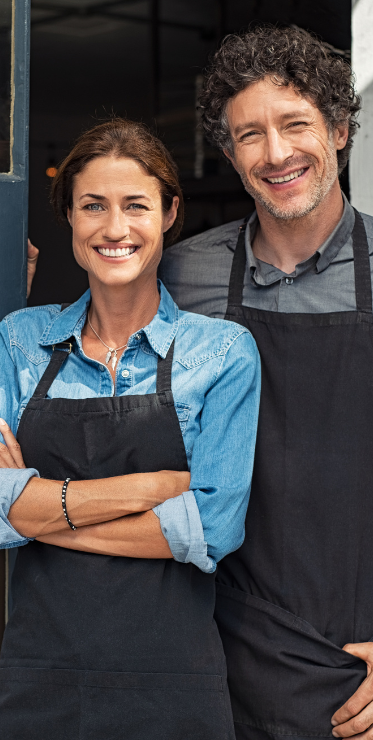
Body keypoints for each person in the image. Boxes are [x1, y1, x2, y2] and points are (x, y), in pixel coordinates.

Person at [0, 119, 261, 739]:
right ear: (69, 218)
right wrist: (154, 489)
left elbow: (213, 528)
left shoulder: (222, 353)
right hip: (40, 681)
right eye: (93, 206)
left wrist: (36, 510)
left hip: (173, 687)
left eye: (135, 205)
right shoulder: (23, 340)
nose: (114, 228)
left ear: (170, 213)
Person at [158, 25, 373, 740]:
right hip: (209, 646)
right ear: (229, 154)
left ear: (339, 130)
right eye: (249, 135)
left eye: (294, 125)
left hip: (353, 658)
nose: (275, 154)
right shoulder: (178, 276)